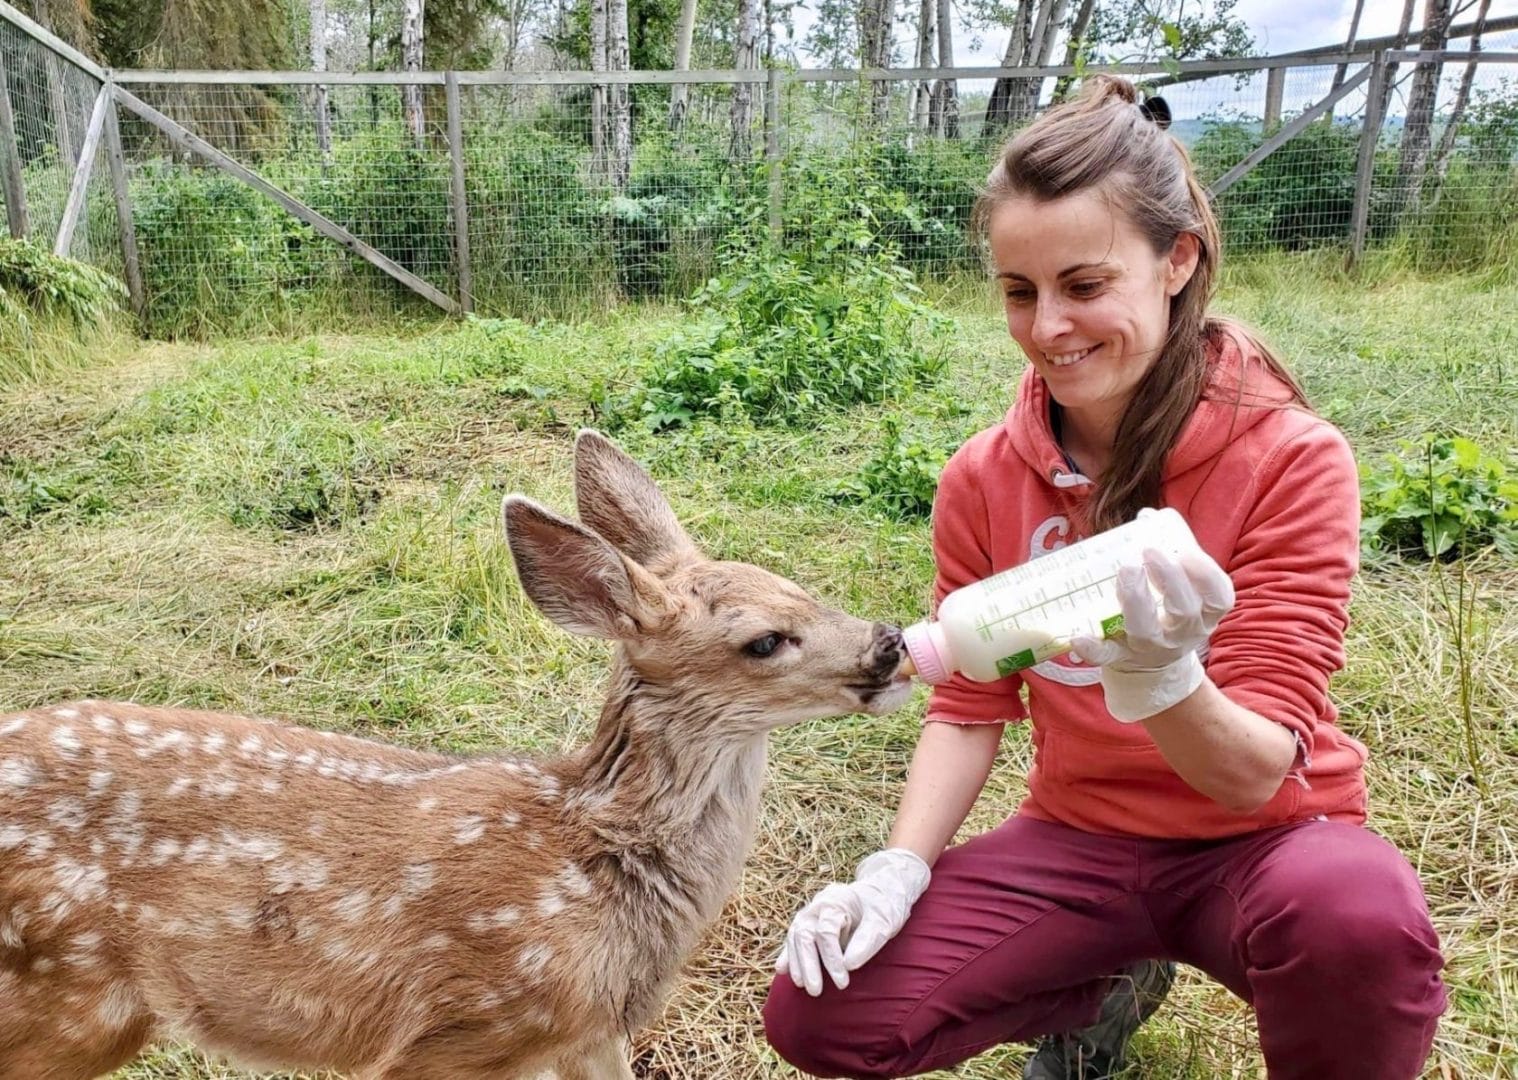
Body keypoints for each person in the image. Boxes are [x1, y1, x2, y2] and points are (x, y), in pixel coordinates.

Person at [761, 75, 1446, 1080]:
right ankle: (1100, 982)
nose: (1048, 329)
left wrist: (1166, 681)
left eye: (1085, 286)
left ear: (1176, 262)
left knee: (1358, 921)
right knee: (824, 1016)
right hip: (1082, 838)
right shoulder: (981, 479)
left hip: (1262, 843)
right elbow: (967, 702)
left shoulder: (1292, 460)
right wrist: (897, 868)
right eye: (1018, 291)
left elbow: (1255, 768)